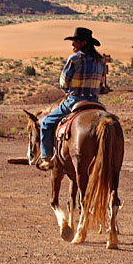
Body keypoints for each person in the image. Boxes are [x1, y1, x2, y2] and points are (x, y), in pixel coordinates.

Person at [37, 27, 106, 170]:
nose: (73, 44)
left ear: (84, 43)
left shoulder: (74, 59)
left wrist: (67, 90)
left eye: (75, 41)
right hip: (95, 101)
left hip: (76, 100)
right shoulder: (101, 61)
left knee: (46, 122)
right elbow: (101, 84)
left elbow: (63, 82)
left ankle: (47, 157)